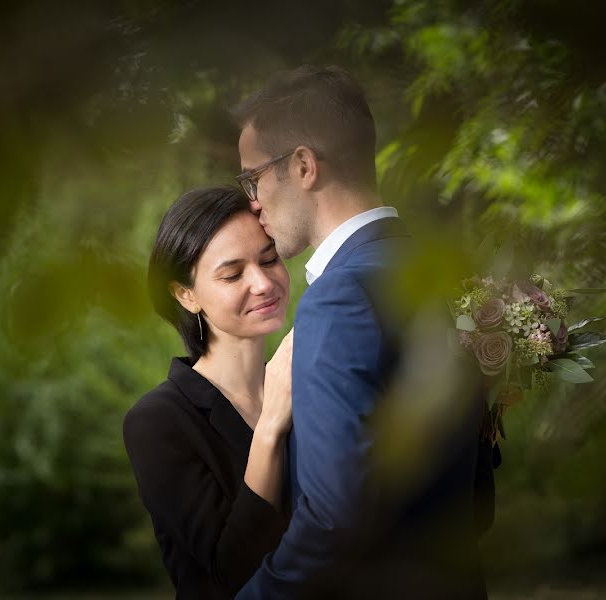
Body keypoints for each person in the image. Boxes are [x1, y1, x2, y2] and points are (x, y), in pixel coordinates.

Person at [232, 65, 494, 599]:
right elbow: (477, 490)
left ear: (303, 165)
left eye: (252, 178)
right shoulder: (432, 275)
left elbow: (333, 521)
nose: (251, 201)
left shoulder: (340, 297)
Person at [123, 187, 295, 599]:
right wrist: (270, 427)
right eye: (232, 274)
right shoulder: (157, 422)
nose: (262, 282)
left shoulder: (304, 384)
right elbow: (230, 569)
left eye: (269, 259)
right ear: (186, 294)